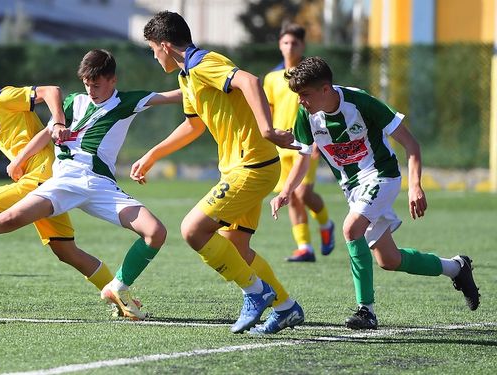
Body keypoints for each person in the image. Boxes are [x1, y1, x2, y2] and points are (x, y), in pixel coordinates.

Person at [0, 50, 181, 319]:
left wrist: (210, 82)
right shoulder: (74, 102)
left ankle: (119, 289)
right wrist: (21, 157)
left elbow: (176, 96)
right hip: (62, 180)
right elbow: (44, 134)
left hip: (99, 185)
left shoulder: (128, 101)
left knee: (155, 232)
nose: (91, 90)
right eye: (86, 84)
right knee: (10, 222)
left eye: (96, 84)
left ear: (112, 80)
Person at [270, 56, 481, 330]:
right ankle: (456, 268)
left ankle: (365, 310)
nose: (300, 101)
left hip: (382, 175)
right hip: (353, 188)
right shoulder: (306, 114)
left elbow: (412, 145)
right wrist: (286, 191)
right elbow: (304, 157)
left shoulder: (362, 103)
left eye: (305, 95)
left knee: (350, 229)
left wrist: (415, 186)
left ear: (325, 89)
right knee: (389, 260)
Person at [134, 11, 304, 335]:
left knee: (193, 230)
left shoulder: (202, 63)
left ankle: (255, 292)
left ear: (165, 46)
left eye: (153, 49)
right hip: (242, 168)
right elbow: (193, 125)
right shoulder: (186, 76)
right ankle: (284, 307)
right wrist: (152, 154)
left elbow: (249, 81)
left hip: (251, 166)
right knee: (236, 248)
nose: (154, 57)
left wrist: (266, 129)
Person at [263, 23, 335, 262]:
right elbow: (269, 111)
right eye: (285, 42)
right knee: (291, 195)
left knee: (303, 193)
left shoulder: (311, 76)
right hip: (282, 144)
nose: (290, 46)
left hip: (308, 141)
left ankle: (326, 224)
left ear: (303, 45)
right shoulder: (272, 78)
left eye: (295, 42)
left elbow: (324, 105)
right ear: (279, 45)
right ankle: (305, 247)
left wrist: (318, 141)